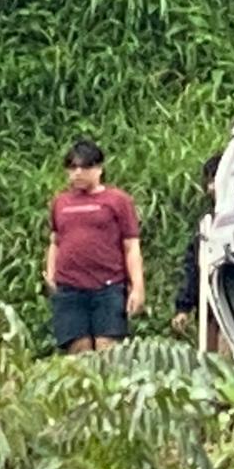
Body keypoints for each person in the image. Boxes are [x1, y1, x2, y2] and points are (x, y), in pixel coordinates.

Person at [45, 139, 144, 354]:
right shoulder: (60, 202)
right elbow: (55, 241)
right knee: (78, 353)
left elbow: (131, 246)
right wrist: (51, 274)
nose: (78, 172)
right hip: (70, 289)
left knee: (107, 352)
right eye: (72, 167)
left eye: (85, 166)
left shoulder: (117, 200)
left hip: (108, 288)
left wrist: (137, 286)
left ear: (99, 168)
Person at [172, 152, 222, 337]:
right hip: (210, 307)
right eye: (210, 180)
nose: (212, 187)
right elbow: (194, 266)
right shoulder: (207, 224)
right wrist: (183, 307)